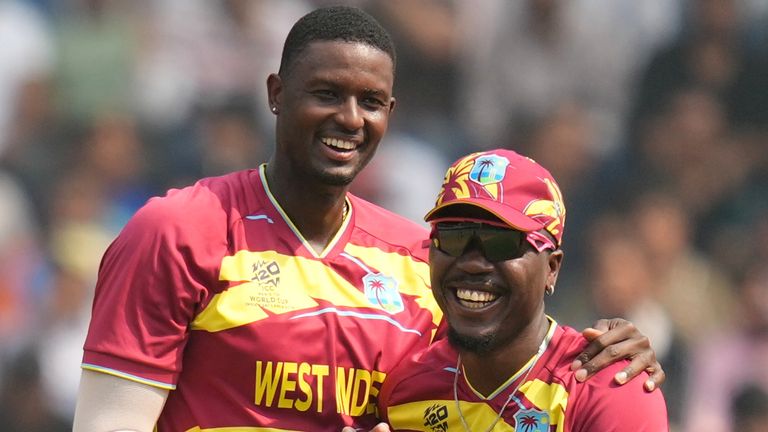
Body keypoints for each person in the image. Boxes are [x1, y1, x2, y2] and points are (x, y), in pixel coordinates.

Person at [73, 6, 664, 432]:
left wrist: (610, 350)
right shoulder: (178, 231)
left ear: (391, 112)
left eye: (371, 102)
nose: (350, 119)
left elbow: (504, 356)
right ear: (276, 93)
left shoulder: (421, 258)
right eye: (326, 93)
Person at [376, 149, 668, 431]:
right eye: (454, 237)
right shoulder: (405, 391)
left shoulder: (606, 391)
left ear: (551, 268)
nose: (473, 263)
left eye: (502, 243)